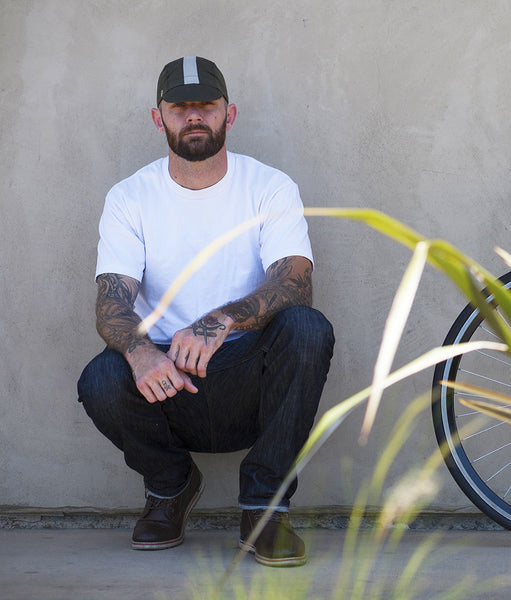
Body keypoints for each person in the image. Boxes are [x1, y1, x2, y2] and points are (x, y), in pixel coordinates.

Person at [77, 56, 334, 567]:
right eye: (179, 107)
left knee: (307, 328)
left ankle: (264, 509)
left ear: (228, 114)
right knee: (101, 378)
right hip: (169, 381)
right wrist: (142, 352)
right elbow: (112, 302)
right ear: (160, 118)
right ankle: (170, 488)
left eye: (206, 106)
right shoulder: (130, 197)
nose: (194, 116)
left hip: (249, 374)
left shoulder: (269, 186)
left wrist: (220, 322)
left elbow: (295, 282)